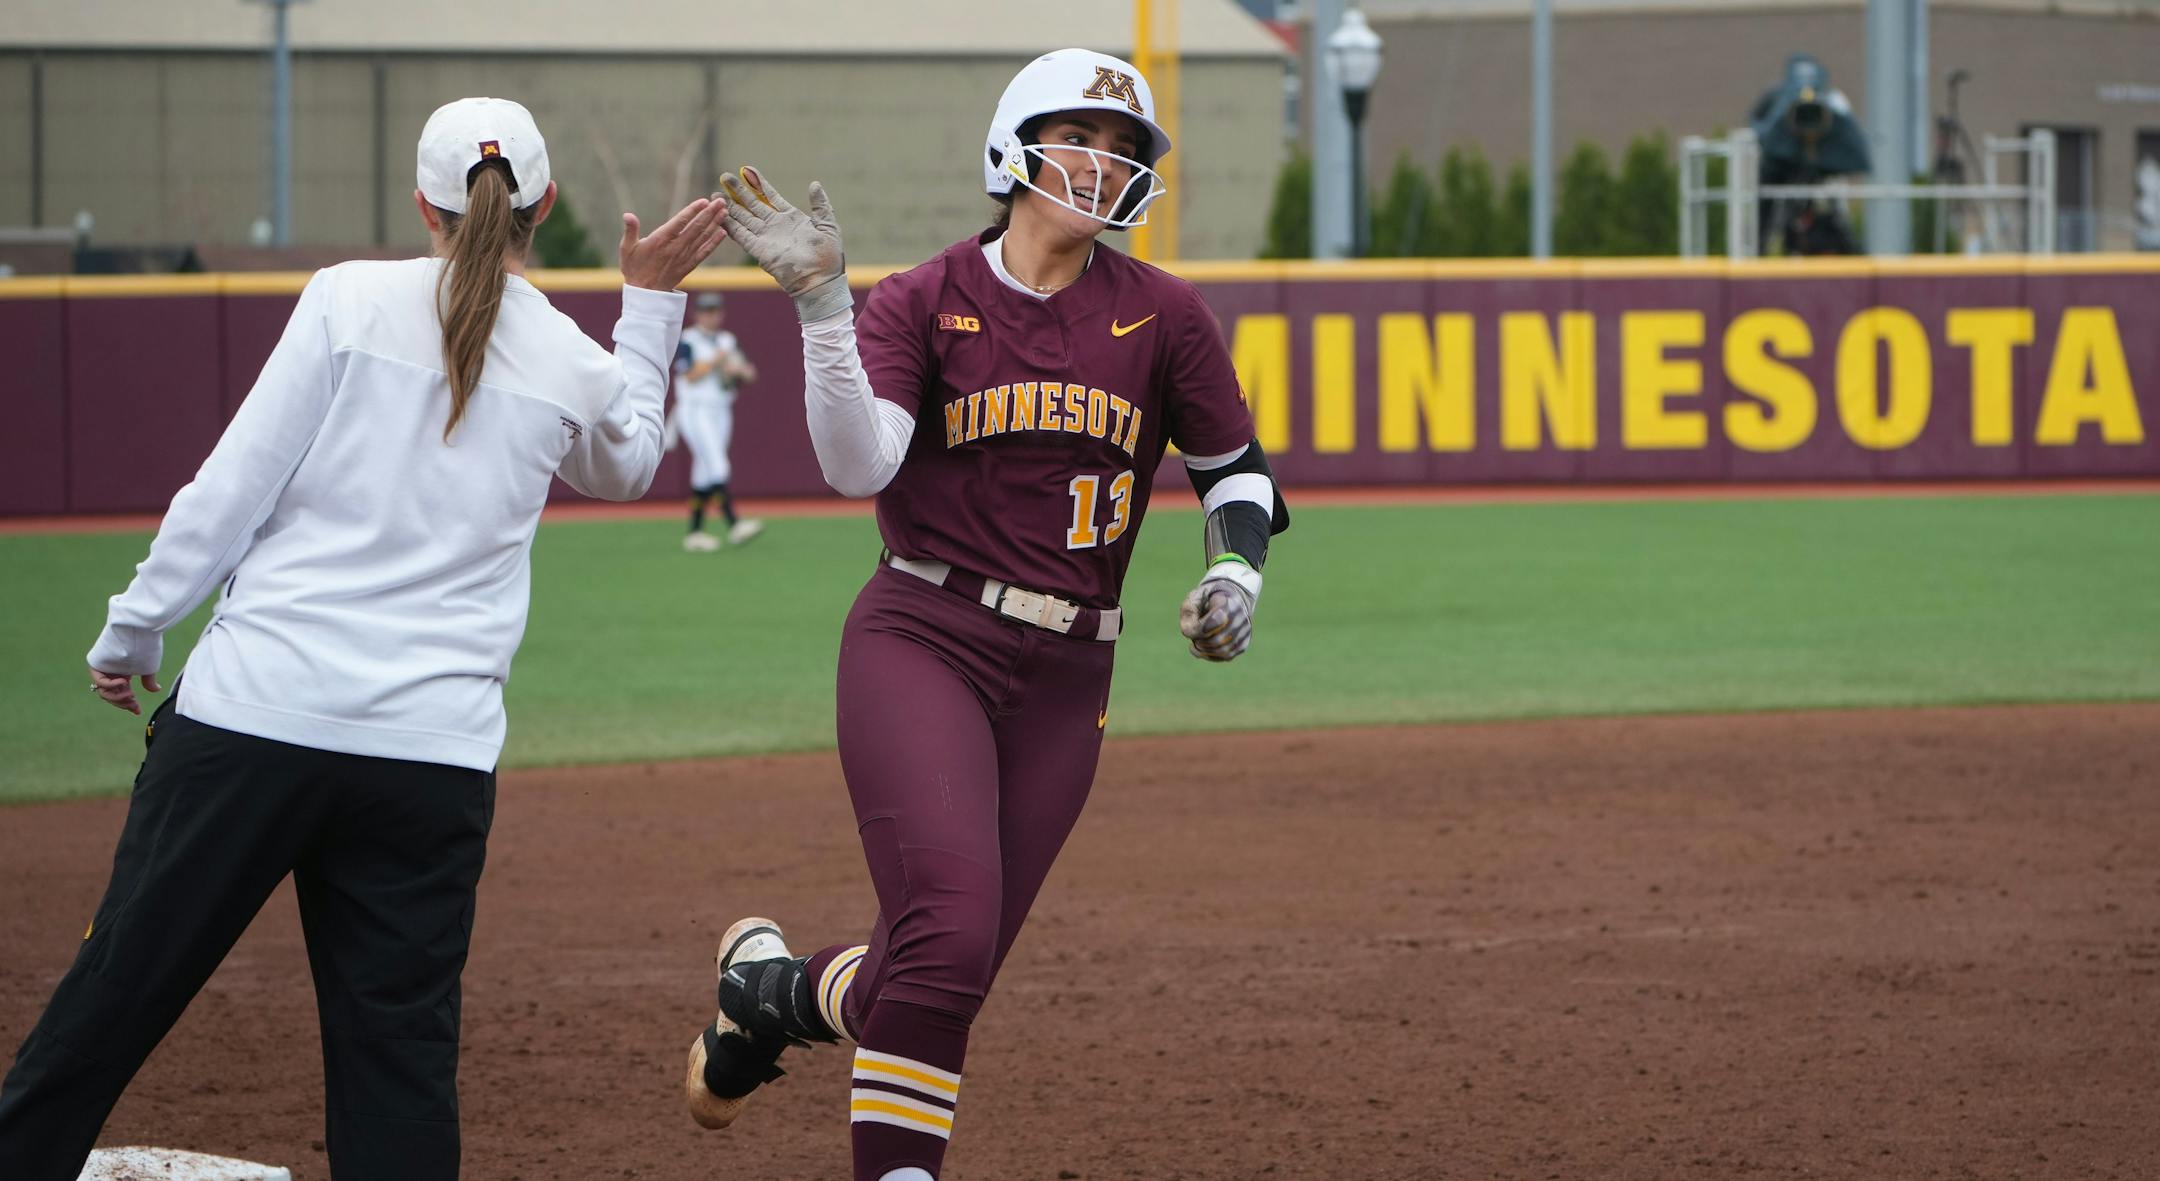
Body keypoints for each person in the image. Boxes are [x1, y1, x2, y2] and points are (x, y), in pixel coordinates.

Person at [0, 97, 727, 1180]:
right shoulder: (570, 357)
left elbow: (228, 492)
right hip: (429, 760)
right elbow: (625, 465)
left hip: (253, 721)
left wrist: (134, 632)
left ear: (422, 204)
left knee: (109, 1005)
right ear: (548, 207)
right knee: (399, 1069)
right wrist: (649, 305)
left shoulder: (345, 301)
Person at [679, 49, 1290, 1181]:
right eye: (1079, 138)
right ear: (1013, 145)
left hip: (1071, 674)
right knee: (948, 941)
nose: (1102, 165)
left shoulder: (1163, 313)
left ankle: (765, 993)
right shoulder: (926, 297)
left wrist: (1237, 573)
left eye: (1123, 151)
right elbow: (856, 463)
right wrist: (823, 304)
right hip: (927, 633)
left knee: (939, 971)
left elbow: (1238, 473)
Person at [673, 291, 764, 551]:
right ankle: (734, 524)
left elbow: (750, 374)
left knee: (703, 473)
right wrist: (717, 361)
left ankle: (695, 533)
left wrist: (739, 370)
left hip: (721, 409)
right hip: (695, 410)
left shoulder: (727, 339)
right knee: (717, 465)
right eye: (706, 311)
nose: (711, 316)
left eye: (715, 311)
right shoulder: (688, 339)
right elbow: (688, 375)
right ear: (697, 314)